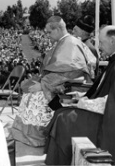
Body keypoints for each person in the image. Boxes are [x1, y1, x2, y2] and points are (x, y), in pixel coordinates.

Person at [44, 25, 115, 165]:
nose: (99, 47)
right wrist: (81, 97)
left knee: (63, 118)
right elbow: (102, 90)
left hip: (110, 119)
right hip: (104, 111)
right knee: (60, 112)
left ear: (112, 40)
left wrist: (81, 103)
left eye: (101, 42)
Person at [11, 16, 92, 147]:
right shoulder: (63, 41)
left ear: (59, 29)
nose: (47, 35)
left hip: (68, 87)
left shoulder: (70, 43)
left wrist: (42, 85)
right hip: (57, 82)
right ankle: (25, 134)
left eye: (49, 32)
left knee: (35, 96)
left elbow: (68, 71)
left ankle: (36, 137)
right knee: (28, 90)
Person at [73, 15, 99, 79]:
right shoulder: (79, 44)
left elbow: (90, 75)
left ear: (82, 33)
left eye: (75, 30)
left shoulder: (89, 48)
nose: (73, 32)